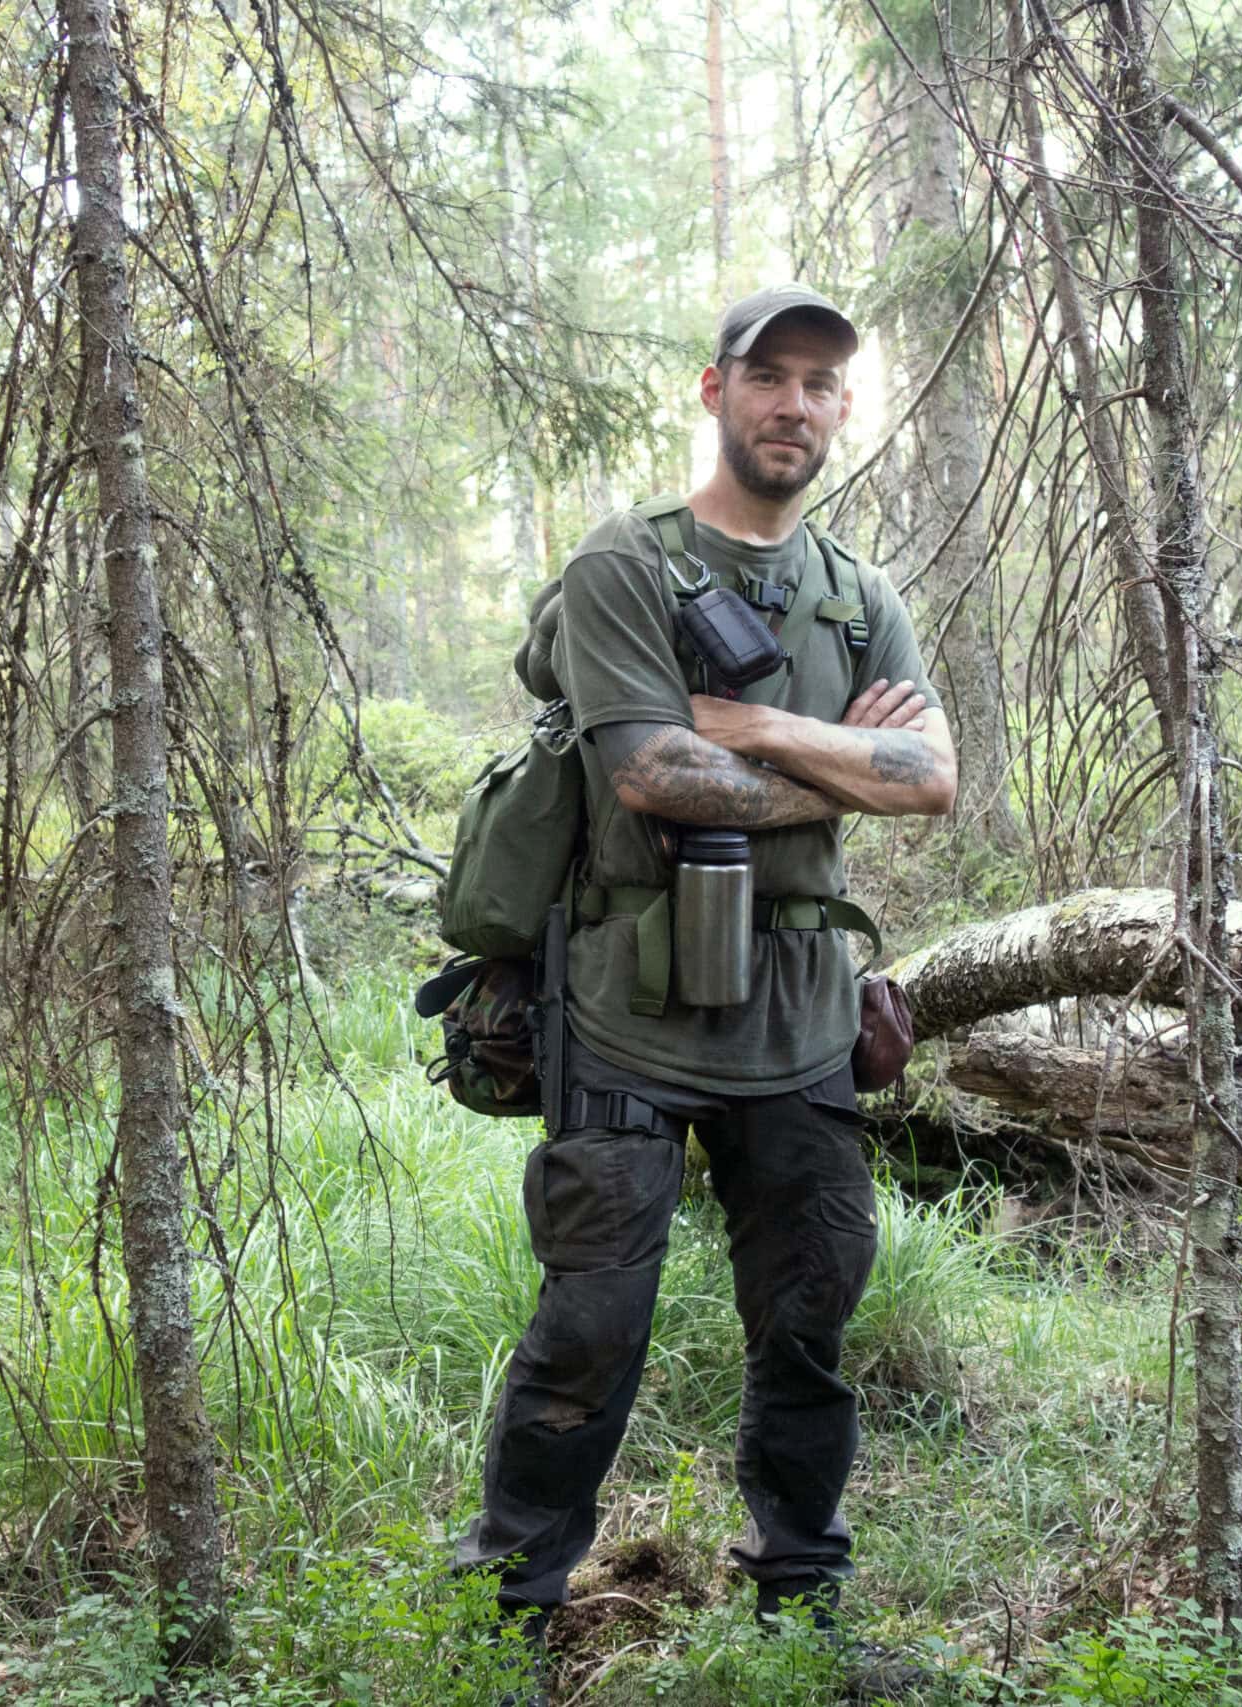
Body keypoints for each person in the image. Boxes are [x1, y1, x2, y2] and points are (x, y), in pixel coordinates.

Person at [454, 286, 958, 1694]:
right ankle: (504, 1615)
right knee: (588, 1331)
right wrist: (836, 763)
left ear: (840, 409)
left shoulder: (861, 597)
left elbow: (935, 783)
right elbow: (651, 773)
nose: (796, 406)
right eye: (770, 378)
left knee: (810, 1322)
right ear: (715, 389)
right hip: (624, 1009)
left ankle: (805, 1608)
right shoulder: (627, 565)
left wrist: (758, 728)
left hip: (800, 1014)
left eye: (822, 385)